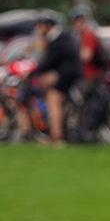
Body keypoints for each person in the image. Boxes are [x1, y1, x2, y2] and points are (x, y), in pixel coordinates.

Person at [20, 15, 80, 143]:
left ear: (47, 26)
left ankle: (56, 136)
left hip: (66, 76)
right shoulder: (62, 36)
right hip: (68, 74)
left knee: (53, 100)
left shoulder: (58, 39)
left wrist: (32, 73)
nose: (38, 30)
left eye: (40, 26)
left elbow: (48, 61)